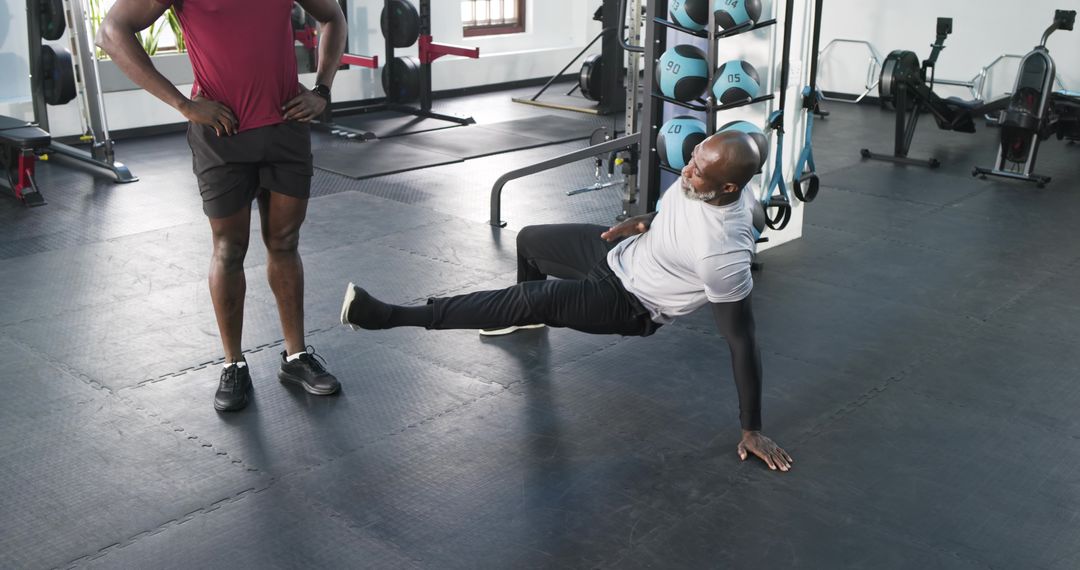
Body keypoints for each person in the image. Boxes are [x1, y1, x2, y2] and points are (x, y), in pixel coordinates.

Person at [339, 131, 793, 472]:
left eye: (697, 171)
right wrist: (643, 220)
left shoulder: (722, 256)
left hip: (631, 302)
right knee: (530, 240)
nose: (687, 170)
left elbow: (742, 340)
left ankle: (389, 316)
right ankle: (524, 317)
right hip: (622, 254)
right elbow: (680, 209)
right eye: (692, 159)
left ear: (728, 188)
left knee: (531, 298)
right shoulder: (716, 168)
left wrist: (751, 429)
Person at [98, 0, 347, 411]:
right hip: (221, 134)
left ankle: (296, 357)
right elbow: (111, 32)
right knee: (229, 249)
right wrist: (184, 105)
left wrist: (322, 89)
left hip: (286, 129)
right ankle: (234, 364)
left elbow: (332, 15)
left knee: (285, 242)